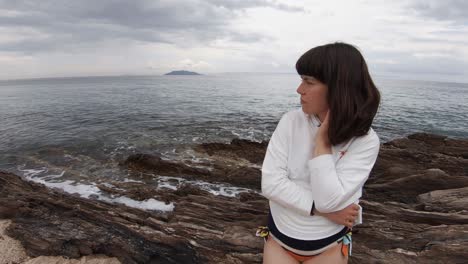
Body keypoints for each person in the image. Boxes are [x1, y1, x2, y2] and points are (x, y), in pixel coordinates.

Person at [259, 42, 381, 264]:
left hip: (330, 247)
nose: (299, 89)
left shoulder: (365, 141)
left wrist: (322, 143)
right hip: (279, 240)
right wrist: (319, 209)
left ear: (338, 88)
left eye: (309, 81)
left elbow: (329, 201)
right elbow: (270, 184)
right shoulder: (291, 121)